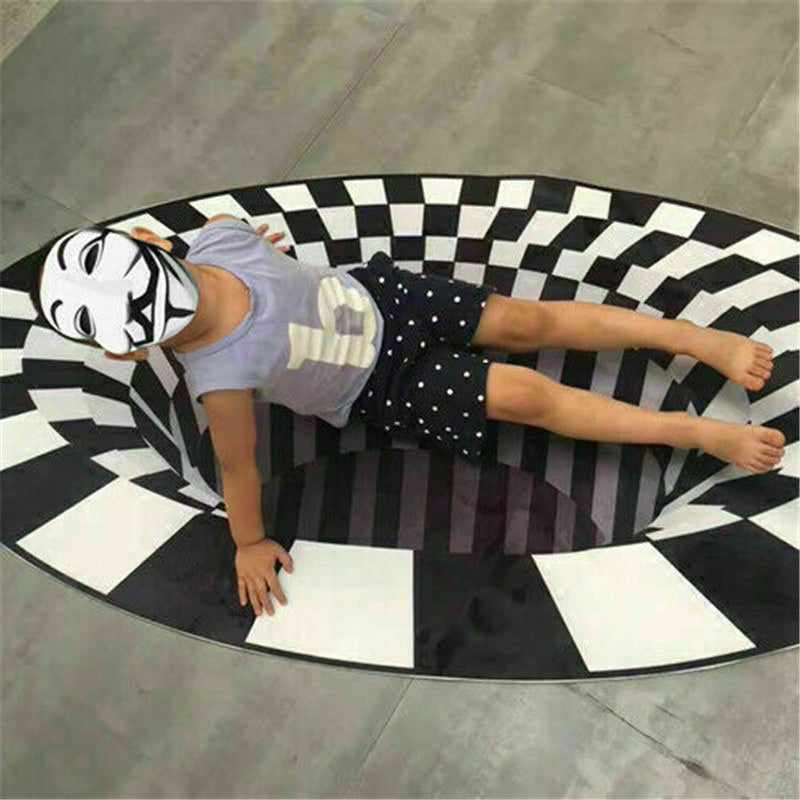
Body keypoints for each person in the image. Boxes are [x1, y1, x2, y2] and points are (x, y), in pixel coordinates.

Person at [27, 215, 785, 619]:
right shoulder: (219, 377)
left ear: (154, 243)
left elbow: (227, 233)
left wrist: (250, 247)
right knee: (526, 395)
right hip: (382, 384)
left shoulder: (218, 239)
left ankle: (692, 339)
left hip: (384, 299)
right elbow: (236, 465)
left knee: (527, 321)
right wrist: (249, 542)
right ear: (134, 350)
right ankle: (696, 432)